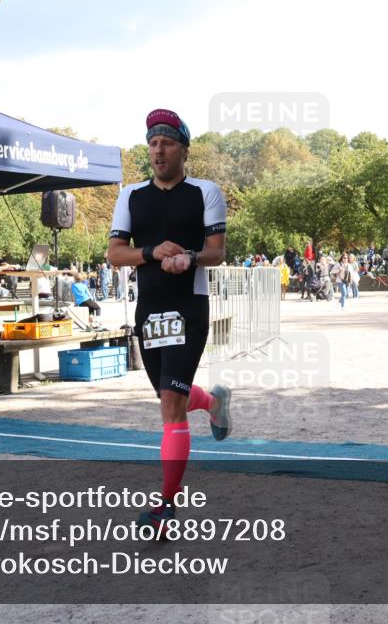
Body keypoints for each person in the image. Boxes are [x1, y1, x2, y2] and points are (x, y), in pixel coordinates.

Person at [106, 108, 232, 532]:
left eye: (167, 143)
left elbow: (217, 252)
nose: (158, 150)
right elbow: (114, 254)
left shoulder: (205, 192)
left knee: (169, 408)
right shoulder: (131, 196)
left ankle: (165, 508)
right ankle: (213, 403)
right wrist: (151, 252)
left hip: (188, 308)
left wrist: (189, 257)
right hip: (149, 310)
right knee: (168, 396)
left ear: (183, 149)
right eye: (153, 143)